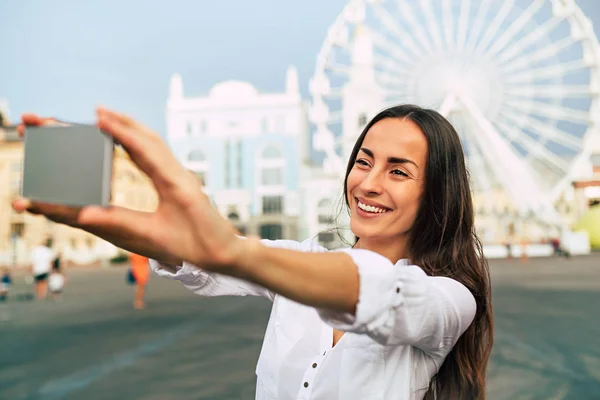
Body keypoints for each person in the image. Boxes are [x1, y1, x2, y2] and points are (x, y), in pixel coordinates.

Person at [12, 105, 493, 399]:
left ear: (437, 193)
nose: (368, 183)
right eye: (363, 161)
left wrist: (229, 251)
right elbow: (199, 259)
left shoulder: (450, 300)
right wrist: (107, 218)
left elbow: (383, 294)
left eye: (398, 171)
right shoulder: (299, 260)